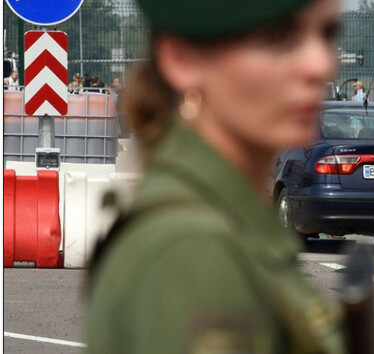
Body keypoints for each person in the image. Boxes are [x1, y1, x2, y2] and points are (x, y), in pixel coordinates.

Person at [85, 0, 346, 353]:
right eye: (278, 37)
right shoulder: (189, 248)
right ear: (182, 58)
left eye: (328, 34)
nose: (321, 65)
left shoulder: (228, 216)